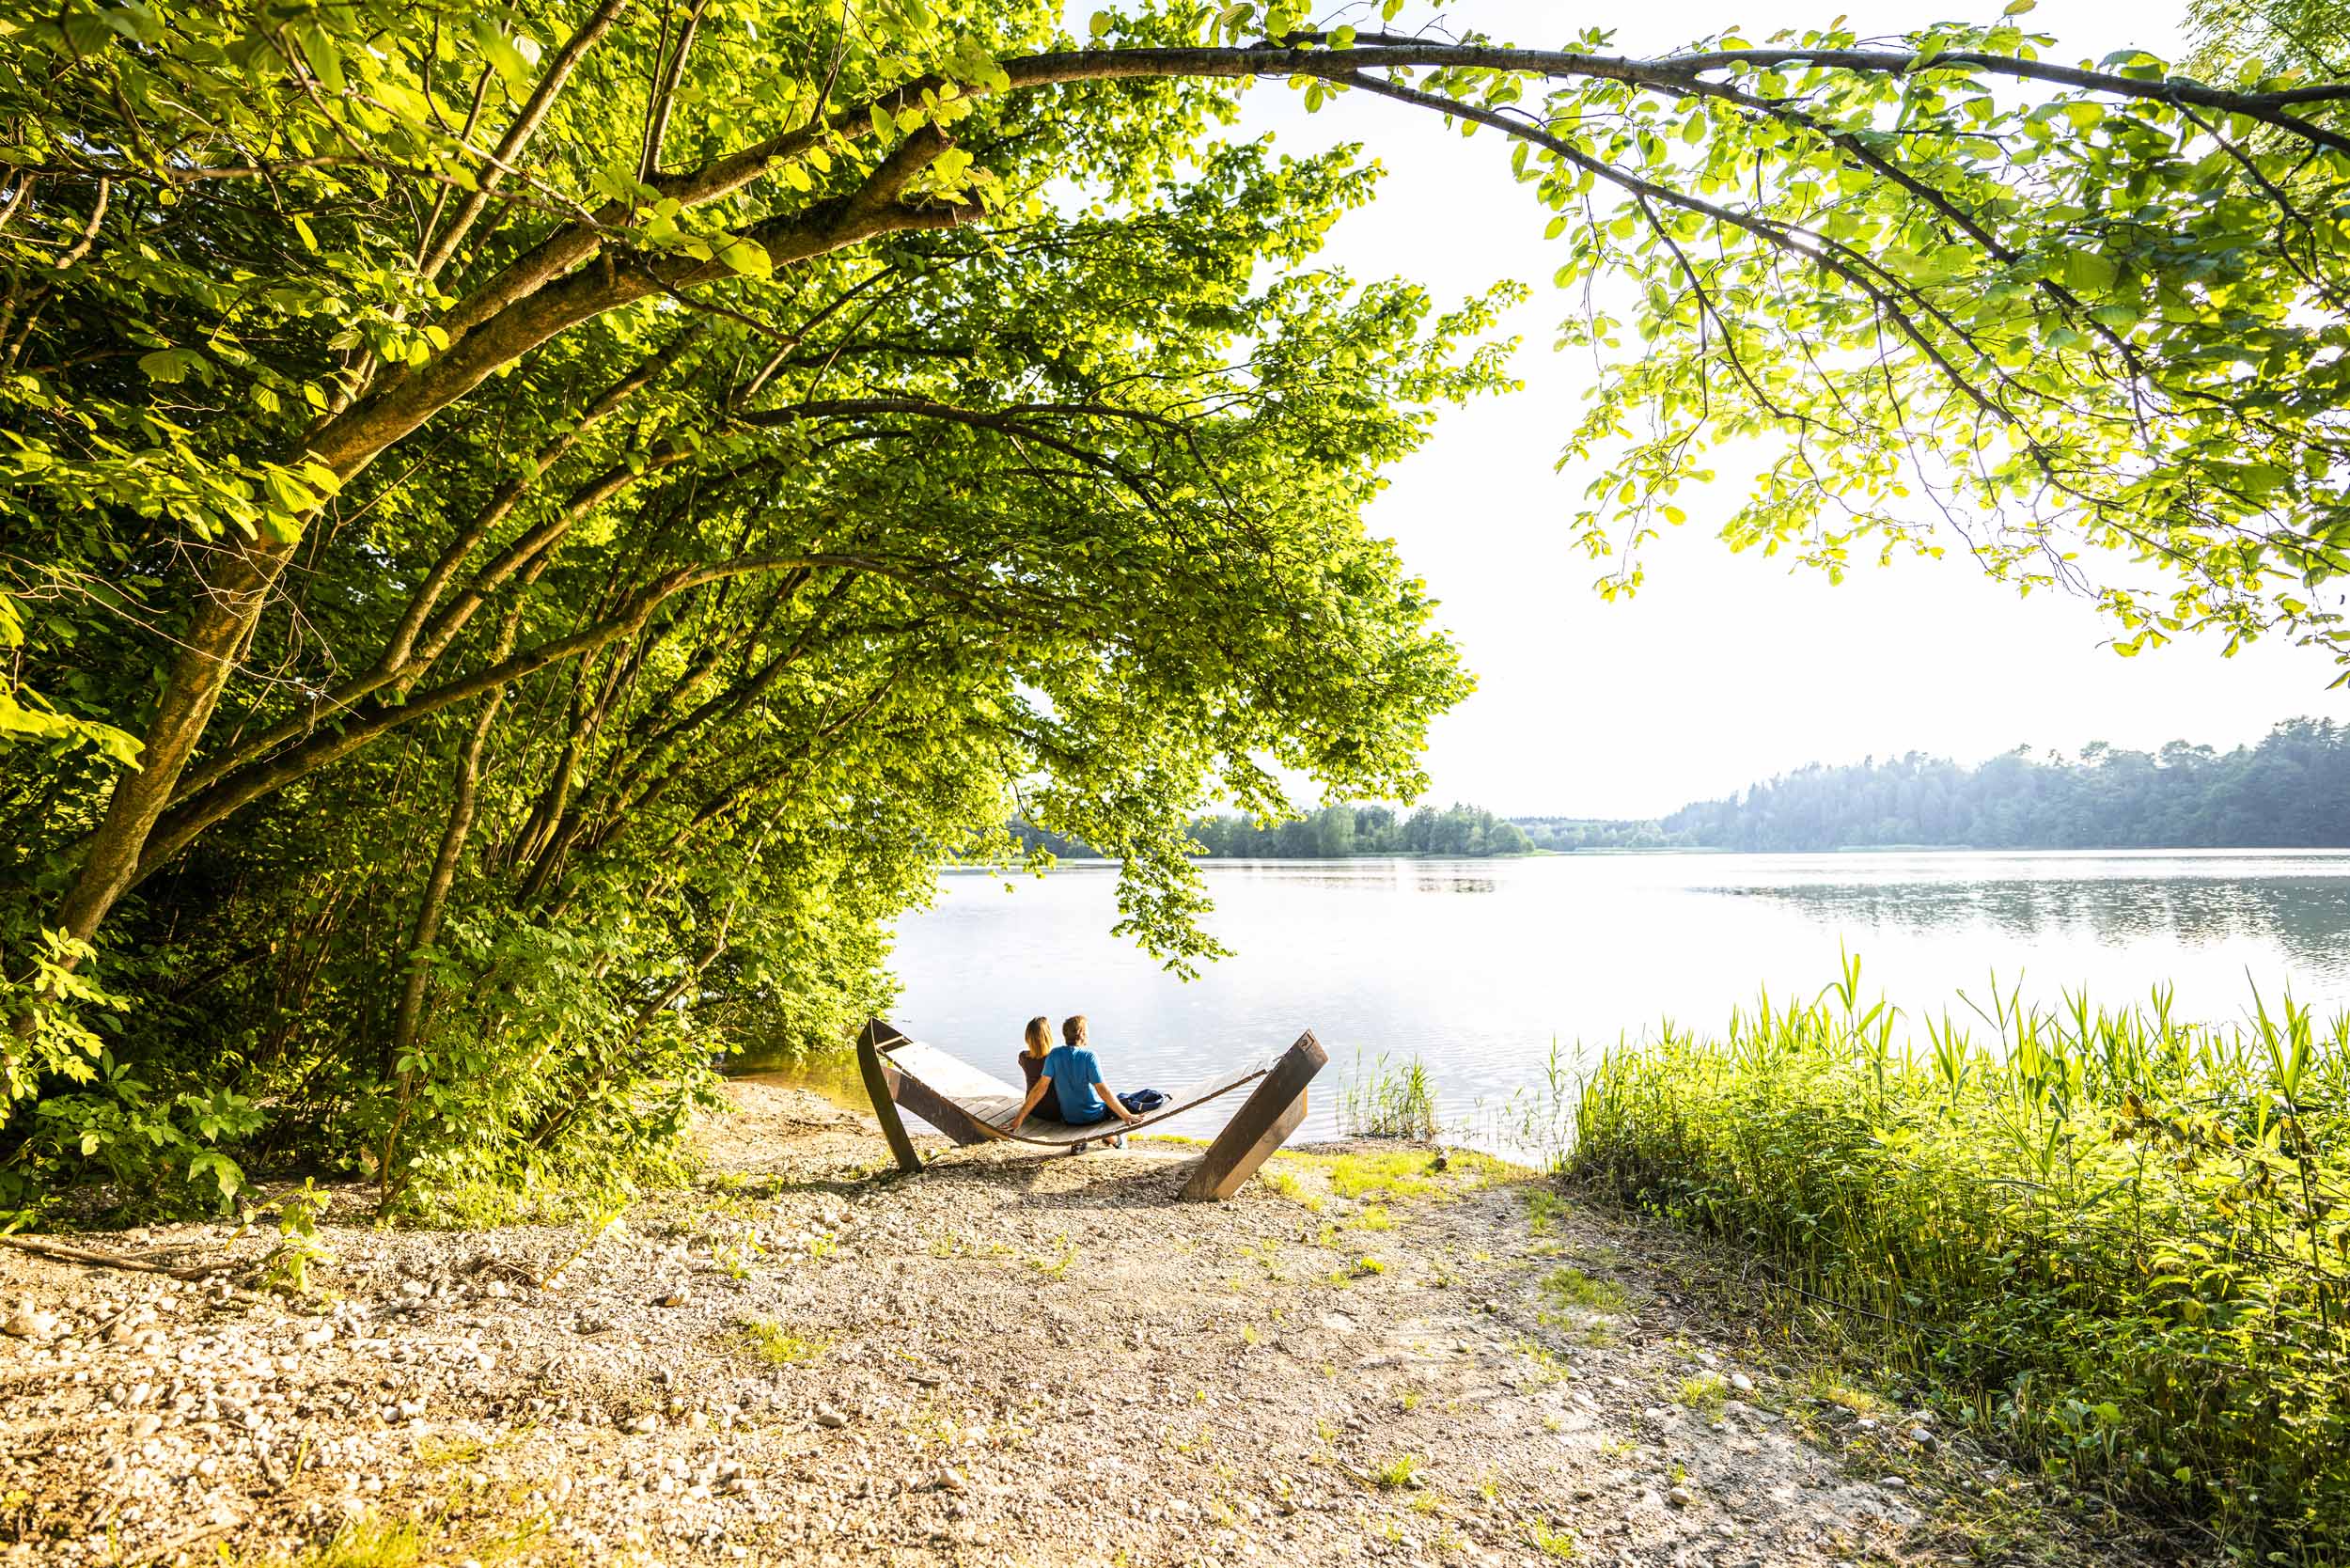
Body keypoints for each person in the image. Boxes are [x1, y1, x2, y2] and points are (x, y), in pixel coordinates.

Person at [1011, 1013, 1140, 1148]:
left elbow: (1040, 1088)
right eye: (1087, 1032)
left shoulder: (1054, 1055)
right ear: (1082, 1034)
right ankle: (1117, 1142)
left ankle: (1081, 1143)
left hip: (1069, 1119)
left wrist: (1019, 1118)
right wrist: (1126, 1115)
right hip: (1094, 1117)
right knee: (1117, 1103)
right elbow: (1103, 1091)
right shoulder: (1089, 1056)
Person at [1014, 1015, 1053, 1103]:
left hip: (1031, 1108)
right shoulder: (1054, 1059)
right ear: (1048, 1037)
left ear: (1027, 1037)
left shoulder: (1023, 1057)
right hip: (1052, 1111)